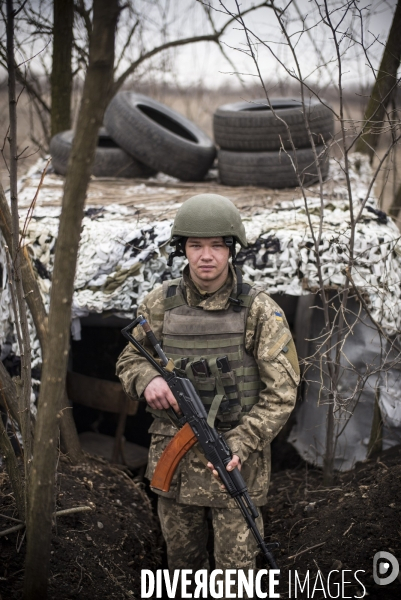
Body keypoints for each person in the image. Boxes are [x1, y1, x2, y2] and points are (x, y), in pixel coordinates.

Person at [116, 194, 299, 595]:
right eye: (196, 245)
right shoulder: (160, 304)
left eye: (217, 245)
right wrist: (148, 380)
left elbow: (283, 390)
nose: (206, 256)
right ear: (182, 248)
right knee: (182, 572)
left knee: (236, 578)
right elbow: (129, 361)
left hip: (235, 463)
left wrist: (241, 441)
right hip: (174, 463)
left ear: (231, 248)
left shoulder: (258, 310)